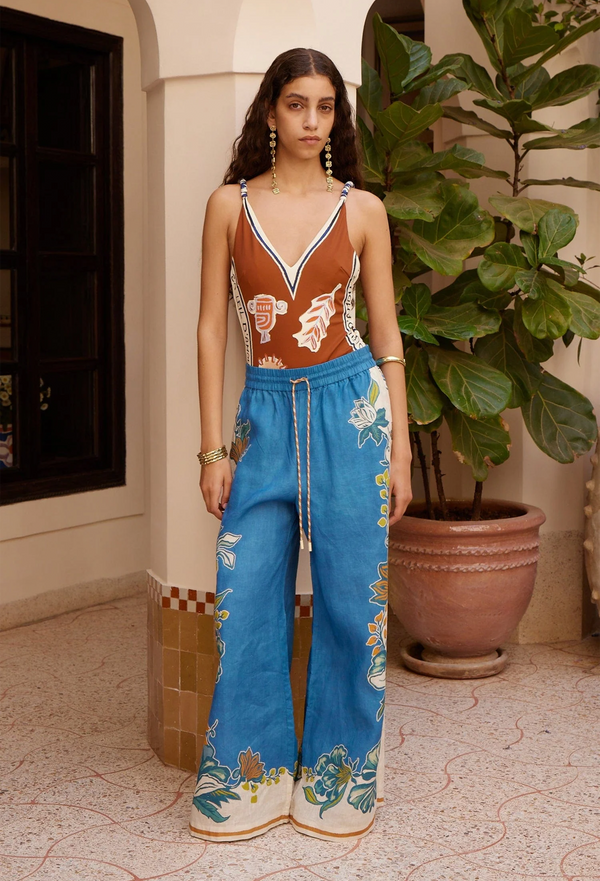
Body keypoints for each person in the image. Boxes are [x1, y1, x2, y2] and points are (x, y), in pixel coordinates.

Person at [190, 47, 412, 843]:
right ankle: (245, 777)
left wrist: (403, 449)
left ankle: (341, 773)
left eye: (325, 107)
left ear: (336, 119)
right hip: (265, 414)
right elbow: (214, 326)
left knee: (356, 600)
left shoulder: (364, 211)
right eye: (296, 105)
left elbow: (386, 336)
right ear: (270, 112)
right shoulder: (229, 205)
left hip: (353, 411)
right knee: (246, 596)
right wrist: (214, 449)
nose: (312, 121)